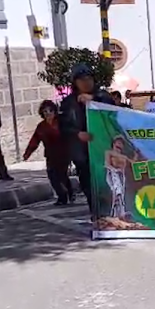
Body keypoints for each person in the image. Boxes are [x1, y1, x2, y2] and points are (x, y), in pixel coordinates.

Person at [59, 64, 115, 212]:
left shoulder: (102, 96)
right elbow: (63, 126)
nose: (86, 82)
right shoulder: (68, 103)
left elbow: (114, 109)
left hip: (102, 149)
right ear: (75, 82)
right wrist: (77, 134)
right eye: (82, 79)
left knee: (107, 184)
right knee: (88, 185)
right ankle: (96, 215)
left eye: (89, 78)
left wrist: (93, 99)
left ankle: (110, 213)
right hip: (81, 153)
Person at [23, 100, 73, 206]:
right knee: (52, 176)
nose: (48, 113)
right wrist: (27, 153)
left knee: (62, 175)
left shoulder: (61, 123)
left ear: (54, 111)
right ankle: (62, 197)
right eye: (45, 111)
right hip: (50, 155)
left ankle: (69, 192)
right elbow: (35, 140)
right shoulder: (41, 127)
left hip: (64, 153)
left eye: (50, 111)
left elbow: (71, 135)